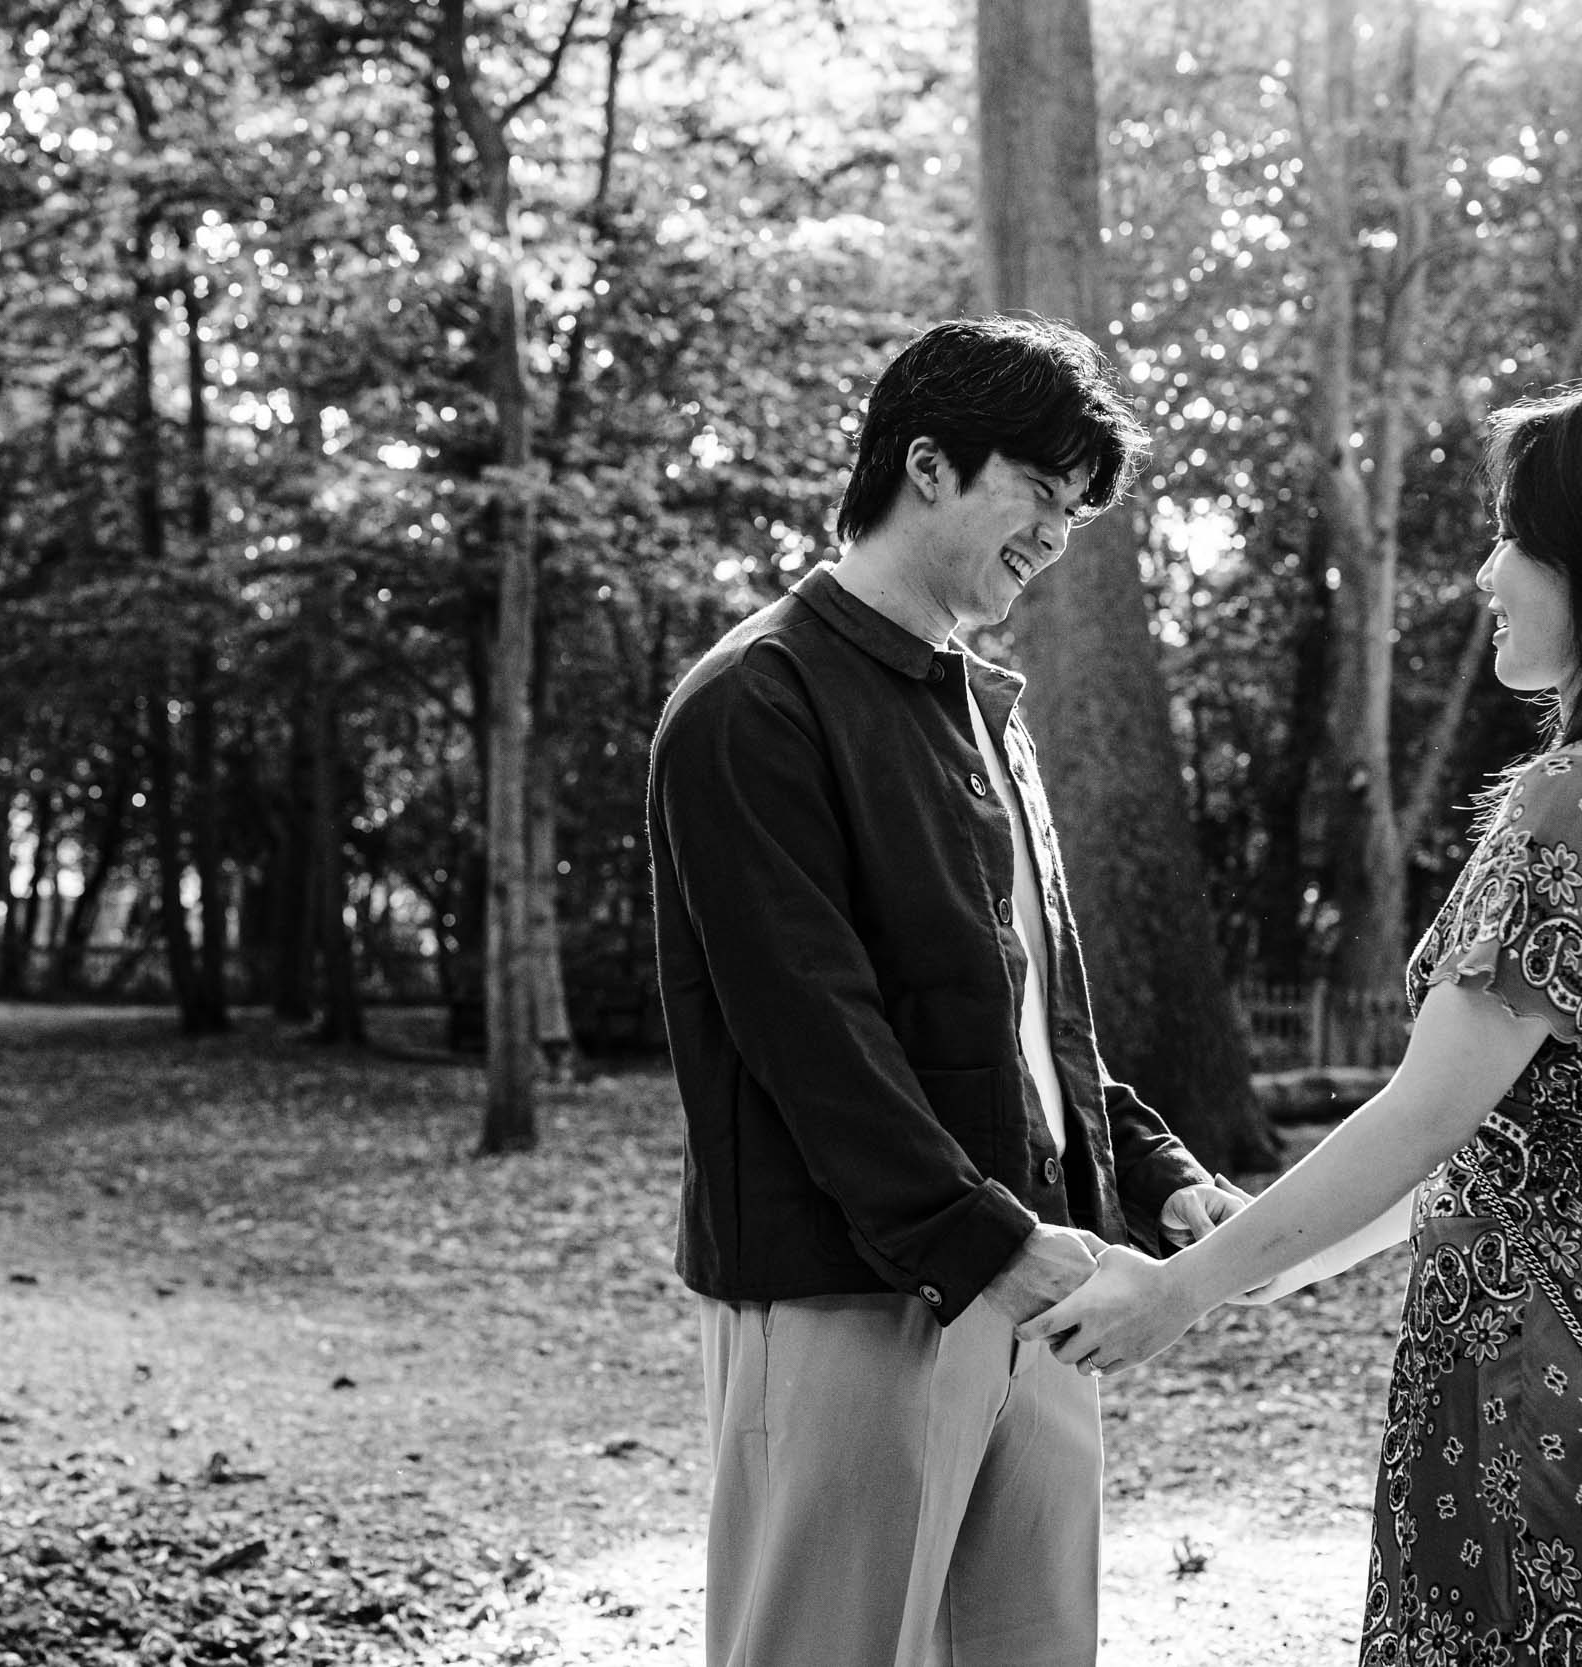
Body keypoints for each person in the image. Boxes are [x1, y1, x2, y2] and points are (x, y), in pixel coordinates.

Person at [1030, 378, 1582, 1666]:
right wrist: (1267, 1259)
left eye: (1516, 539)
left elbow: (1427, 1119)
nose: (1484, 574)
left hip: (1533, 1352)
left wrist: (1179, 1292)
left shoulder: (1578, 802)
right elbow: (1496, 1145)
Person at [646, 313, 1249, 1667]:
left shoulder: (983, 708)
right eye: (1040, 490)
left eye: (1078, 509)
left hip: (1040, 1285)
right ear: (927, 464)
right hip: (846, 1295)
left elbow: (1029, 1016)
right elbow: (811, 1035)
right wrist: (987, 1241)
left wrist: (1150, 1170)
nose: (1058, 534)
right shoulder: (755, 700)